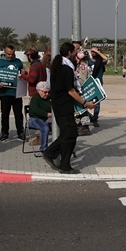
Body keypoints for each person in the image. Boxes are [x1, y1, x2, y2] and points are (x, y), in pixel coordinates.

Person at [41, 42, 95, 174]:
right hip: (64, 106)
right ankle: (60, 162)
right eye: (75, 52)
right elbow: (71, 91)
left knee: (68, 134)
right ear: (69, 53)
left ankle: (55, 157)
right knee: (70, 134)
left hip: (59, 105)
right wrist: (85, 103)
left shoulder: (58, 67)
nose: (77, 54)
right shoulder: (66, 69)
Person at [0, 45, 25, 141]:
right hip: (4, 93)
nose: (10, 56)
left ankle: (20, 132)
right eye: (8, 54)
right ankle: (5, 133)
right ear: (4, 52)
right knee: (5, 114)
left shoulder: (18, 62)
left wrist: (23, 75)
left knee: (18, 114)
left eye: (12, 54)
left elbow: (23, 73)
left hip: (16, 93)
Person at [27, 81, 53, 156]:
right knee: (45, 128)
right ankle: (44, 149)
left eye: (48, 92)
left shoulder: (49, 98)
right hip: (34, 119)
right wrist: (46, 114)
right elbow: (35, 110)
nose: (47, 94)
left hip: (46, 119)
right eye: (45, 92)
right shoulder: (35, 99)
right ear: (39, 91)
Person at [85, 46, 108, 127]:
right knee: (86, 102)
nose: (93, 53)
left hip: (98, 84)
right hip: (89, 84)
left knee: (97, 103)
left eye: (94, 51)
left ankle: (95, 119)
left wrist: (98, 52)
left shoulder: (100, 61)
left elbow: (106, 59)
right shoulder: (88, 61)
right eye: (92, 51)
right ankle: (85, 118)